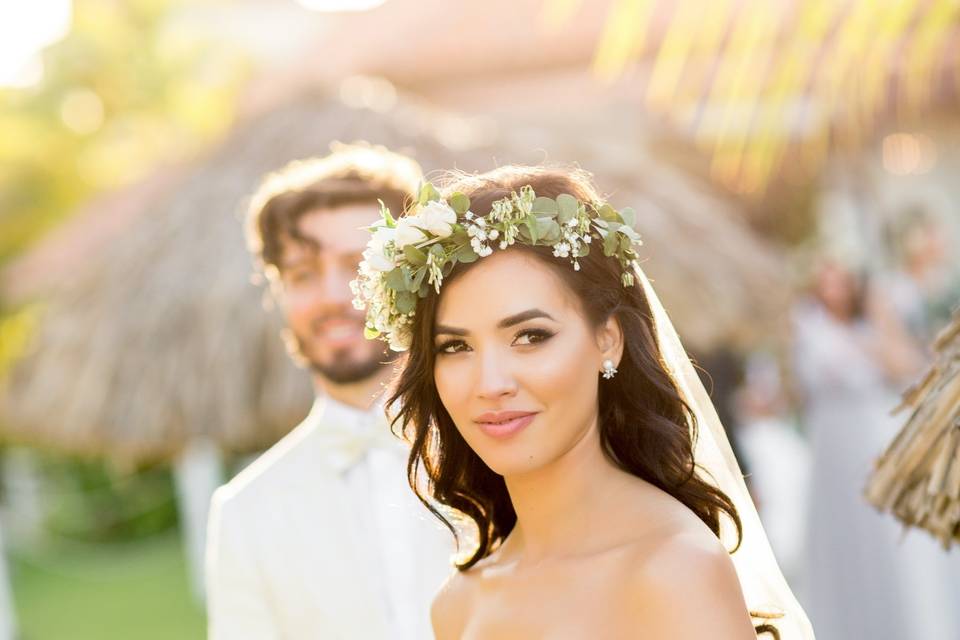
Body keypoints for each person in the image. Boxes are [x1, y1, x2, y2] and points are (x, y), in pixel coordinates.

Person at [352, 165, 814, 638]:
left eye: (530, 336)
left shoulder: (673, 569)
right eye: (455, 347)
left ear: (608, 341)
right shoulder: (460, 603)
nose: (490, 383)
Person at [205, 143, 452, 640]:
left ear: (416, 275)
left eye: (359, 265)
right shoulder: (244, 513)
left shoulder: (501, 450)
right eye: (302, 274)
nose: (333, 297)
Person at [793, 257, 959, 640]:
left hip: (877, 436)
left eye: (841, 282)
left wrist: (881, 320)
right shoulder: (810, 326)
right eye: (826, 282)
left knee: (894, 542)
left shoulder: (873, 326)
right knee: (850, 535)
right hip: (836, 447)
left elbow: (905, 369)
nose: (833, 290)